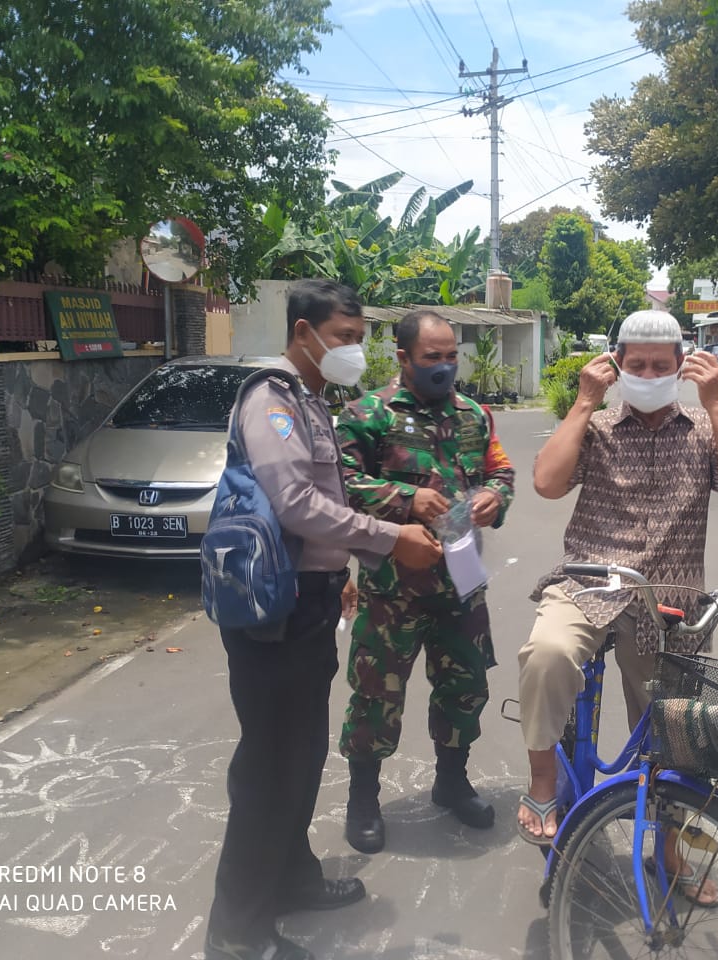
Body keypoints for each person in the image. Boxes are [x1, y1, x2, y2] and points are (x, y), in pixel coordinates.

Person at [205, 280, 442, 960]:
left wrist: (338, 572)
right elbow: (294, 504)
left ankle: (292, 877)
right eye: (344, 338)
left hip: (307, 599)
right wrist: (387, 537)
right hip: (272, 614)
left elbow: (318, 512)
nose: (354, 352)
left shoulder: (310, 399)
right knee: (270, 766)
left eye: (361, 339)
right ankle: (238, 928)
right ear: (303, 332)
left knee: (302, 754)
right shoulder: (271, 400)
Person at [516, 309, 718, 871]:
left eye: (660, 365)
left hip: (670, 604)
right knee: (547, 654)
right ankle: (541, 781)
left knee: (677, 736)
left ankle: (670, 853)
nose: (648, 374)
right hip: (588, 586)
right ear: (616, 366)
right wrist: (583, 401)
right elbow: (547, 483)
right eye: (637, 364)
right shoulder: (597, 425)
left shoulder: (705, 431)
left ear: (681, 368)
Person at [337, 309, 516, 854]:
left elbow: (499, 472)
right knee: (375, 696)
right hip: (391, 587)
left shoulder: (474, 415)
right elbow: (338, 485)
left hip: (461, 583)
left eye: (451, 357)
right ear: (403, 357)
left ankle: (452, 781)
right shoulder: (366, 414)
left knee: (465, 687)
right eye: (431, 358)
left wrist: (494, 498)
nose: (444, 367)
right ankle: (363, 799)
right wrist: (405, 500)